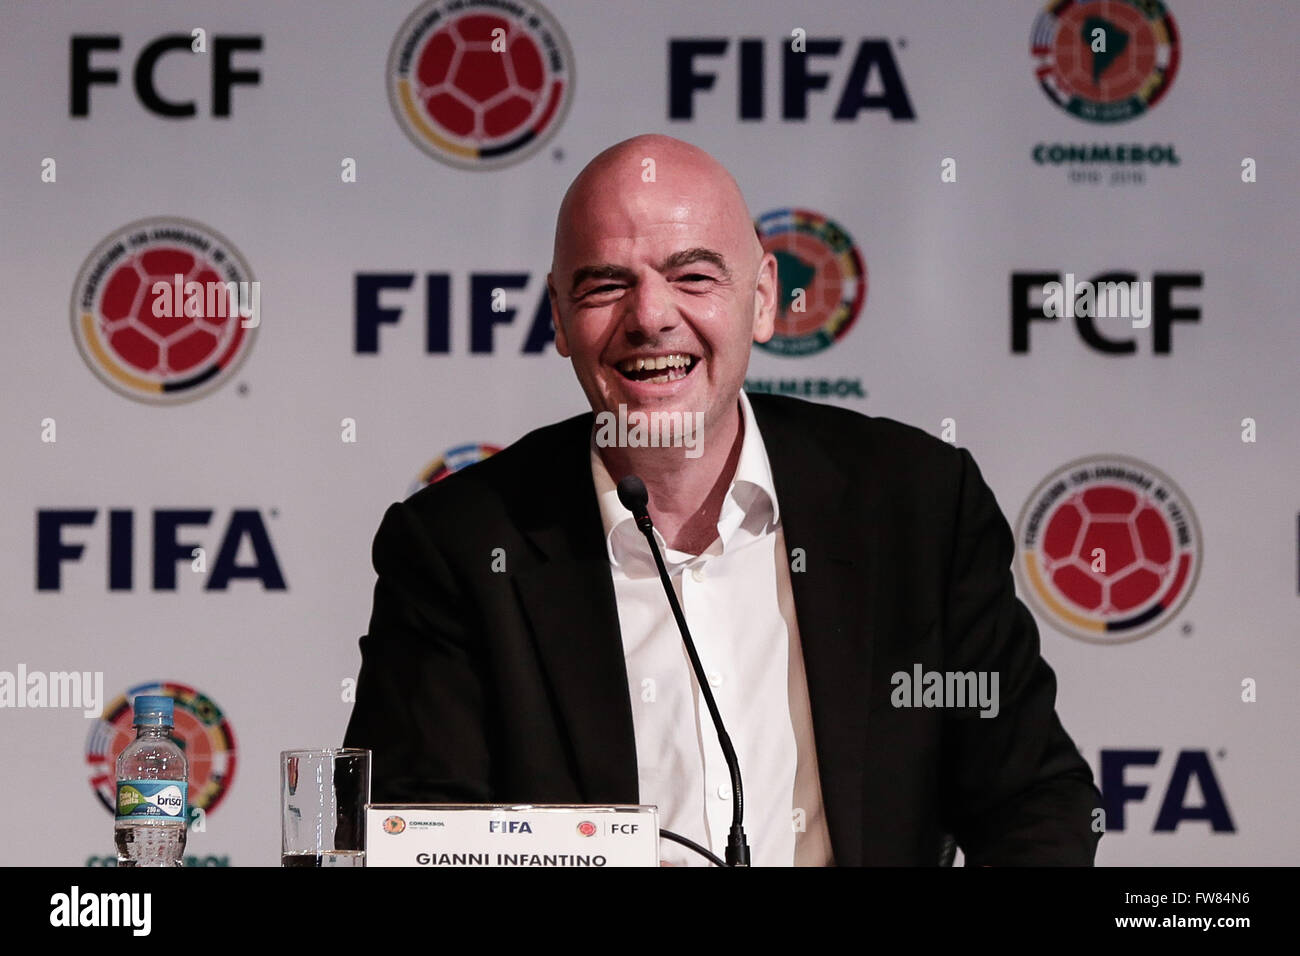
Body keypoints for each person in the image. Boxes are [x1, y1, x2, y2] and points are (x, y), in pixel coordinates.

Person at [343, 134, 1102, 866]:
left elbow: (1034, 799)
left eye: (694, 276)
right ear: (559, 320)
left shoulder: (918, 505)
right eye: (607, 284)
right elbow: (413, 835)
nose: (650, 317)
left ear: (764, 300)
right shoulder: (459, 549)